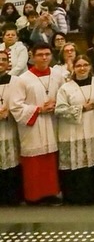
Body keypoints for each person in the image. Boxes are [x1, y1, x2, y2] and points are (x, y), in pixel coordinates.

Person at [10, 42, 64, 204]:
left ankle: (51, 193)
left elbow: (64, 95)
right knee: (34, 163)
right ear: (32, 57)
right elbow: (16, 106)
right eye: (40, 55)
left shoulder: (57, 75)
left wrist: (57, 105)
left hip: (53, 122)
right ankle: (34, 196)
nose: (44, 58)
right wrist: (39, 109)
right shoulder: (22, 79)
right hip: (33, 126)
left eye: (47, 54)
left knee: (50, 160)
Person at [54, 55, 94, 204]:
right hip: (73, 131)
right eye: (79, 66)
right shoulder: (66, 87)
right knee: (76, 164)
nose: (82, 68)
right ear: (73, 68)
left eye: (85, 65)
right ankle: (74, 196)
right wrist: (82, 108)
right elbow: (59, 109)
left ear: (90, 67)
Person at [0, 50, 22, 205]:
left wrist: (10, 111)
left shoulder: (16, 81)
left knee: (11, 162)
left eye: (3, 60)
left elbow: (20, 102)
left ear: (8, 64)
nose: (0, 63)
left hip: (10, 127)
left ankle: (12, 197)